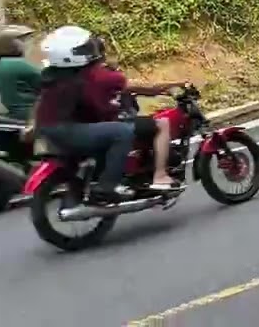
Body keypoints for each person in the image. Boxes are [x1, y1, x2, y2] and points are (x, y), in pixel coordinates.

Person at [33, 25, 182, 202]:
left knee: (114, 130)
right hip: (67, 130)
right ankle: (112, 185)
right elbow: (117, 94)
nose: (92, 50)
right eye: (84, 48)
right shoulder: (90, 75)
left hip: (51, 128)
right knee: (122, 131)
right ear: (70, 54)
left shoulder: (54, 74)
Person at [0, 24, 41, 169]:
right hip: (25, 120)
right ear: (10, 45)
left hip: (2, 121)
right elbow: (50, 87)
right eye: (21, 40)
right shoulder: (21, 65)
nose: (26, 45)